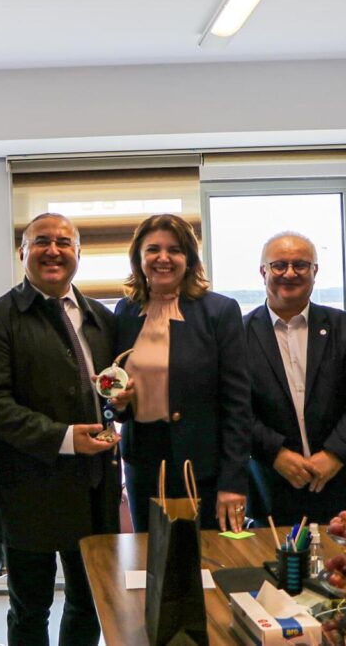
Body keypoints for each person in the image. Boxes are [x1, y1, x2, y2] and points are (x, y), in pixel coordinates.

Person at [0, 212, 121, 646]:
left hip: (95, 489)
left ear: (79, 253)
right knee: (30, 609)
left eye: (63, 242)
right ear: (22, 252)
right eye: (41, 241)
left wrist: (122, 406)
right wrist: (65, 438)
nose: (53, 250)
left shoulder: (102, 318)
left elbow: (111, 391)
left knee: (89, 603)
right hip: (29, 491)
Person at [112, 213, 251, 533]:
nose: (163, 258)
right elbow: (117, 389)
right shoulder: (125, 311)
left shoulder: (220, 311)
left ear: (188, 259)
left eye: (174, 250)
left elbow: (238, 403)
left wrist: (232, 481)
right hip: (143, 467)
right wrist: (118, 404)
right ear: (138, 258)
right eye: (153, 249)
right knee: (150, 557)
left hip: (202, 470)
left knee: (205, 558)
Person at [244, 232, 346, 525]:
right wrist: (275, 453)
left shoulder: (345, 326)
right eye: (279, 265)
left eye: (301, 265)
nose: (290, 273)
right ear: (263, 272)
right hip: (272, 486)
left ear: (315, 271)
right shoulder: (238, 334)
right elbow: (235, 406)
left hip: (344, 484)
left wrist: (335, 454)